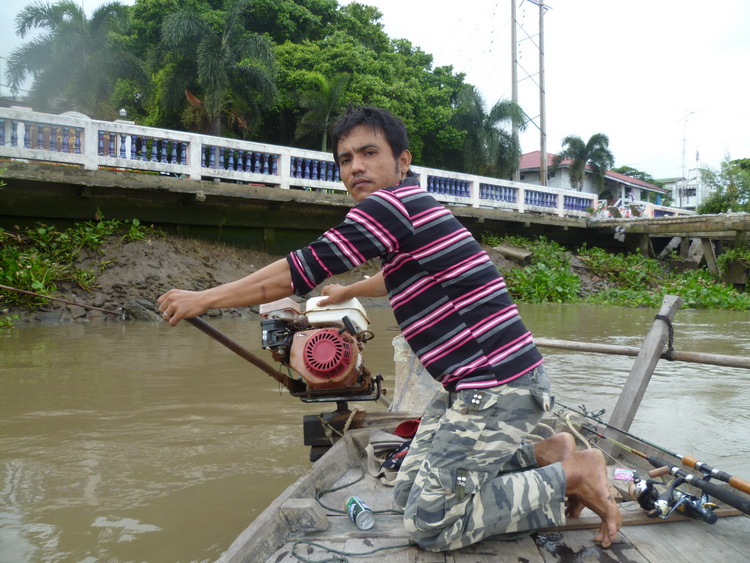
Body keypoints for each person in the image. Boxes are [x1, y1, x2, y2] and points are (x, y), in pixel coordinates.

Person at [158, 106, 621, 551]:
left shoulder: (388, 207)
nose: (355, 167)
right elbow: (405, 270)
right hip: (469, 386)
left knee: (430, 524)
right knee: (405, 492)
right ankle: (550, 452)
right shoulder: (411, 206)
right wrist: (345, 292)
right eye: (345, 159)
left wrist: (203, 298)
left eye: (368, 153)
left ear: (402, 161)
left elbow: (294, 273)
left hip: (498, 387)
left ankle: (573, 475)